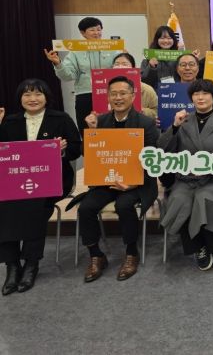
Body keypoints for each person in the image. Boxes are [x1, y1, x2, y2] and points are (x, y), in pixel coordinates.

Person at [73, 76, 159, 283]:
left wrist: (133, 183)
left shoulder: (146, 123)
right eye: (113, 94)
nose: (118, 98)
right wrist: (91, 132)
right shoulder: (100, 121)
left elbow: (153, 159)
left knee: (124, 205)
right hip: (108, 180)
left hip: (138, 182)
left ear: (133, 95)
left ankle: (131, 253)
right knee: (85, 208)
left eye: (123, 93)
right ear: (108, 97)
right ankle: (96, 255)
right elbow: (90, 155)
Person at [0, 79, 81, 295]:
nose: (32, 99)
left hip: (53, 181)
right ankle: (12, 265)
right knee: (3, 204)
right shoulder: (10, 121)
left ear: (46, 97)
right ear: (20, 98)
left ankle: (31, 263)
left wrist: (62, 150)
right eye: (27, 94)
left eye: (38, 94)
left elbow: (76, 149)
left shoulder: (61, 119)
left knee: (36, 204)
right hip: (15, 181)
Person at [158, 79, 213, 270]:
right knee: (179, 200)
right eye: (196, 94)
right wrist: (175, 127)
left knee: (205, 198)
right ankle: (198, 247)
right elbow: (163, 149)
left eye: (205, 93)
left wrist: (211, 166)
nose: (200, 97)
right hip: (185, 179)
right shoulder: (184, 120)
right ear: (191, 98)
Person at [43, 16, 119, 132]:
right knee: (87, 131)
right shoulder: (75, 52)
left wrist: (125, 58)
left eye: (99, 29)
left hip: (109, 94)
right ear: (83, 33)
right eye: (92, 30)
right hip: (85, 95)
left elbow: (121, 69)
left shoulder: (112, 49)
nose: (97, 33)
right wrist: (58, 63)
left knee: (111, 128)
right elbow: (68, 76)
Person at [112, 53, 158, 120]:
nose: (120, 67)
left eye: (125, 64)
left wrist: (142, 111)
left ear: (133, 67)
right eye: (117, 64)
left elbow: (156, 111)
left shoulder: (146, 89)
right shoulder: (105, 88)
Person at [141, 26, 180, 90]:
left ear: (174, 40)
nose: (166, 41)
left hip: (176, 92)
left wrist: (193, 59)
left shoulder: (180, 58)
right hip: (155, 93)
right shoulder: (147, 59)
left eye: (169, 38)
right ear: (157, 40)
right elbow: (144, 82)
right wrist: (151, 67)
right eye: (162, 38)